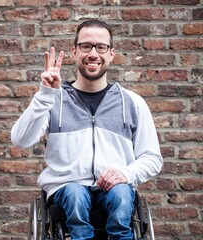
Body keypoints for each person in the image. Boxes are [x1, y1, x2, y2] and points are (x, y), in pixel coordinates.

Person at [11, 19, 163, 240]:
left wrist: (125, 173)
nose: (93, 53)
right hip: (66, 191)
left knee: (121, 193)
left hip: (115, 189)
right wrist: (45, 95)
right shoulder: (53, 99)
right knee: (74, 192)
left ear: (111, 53)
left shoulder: (132, 102)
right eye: (86, 46)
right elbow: (20, 139)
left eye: (101, 47)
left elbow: (152, 158)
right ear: (74, 52)